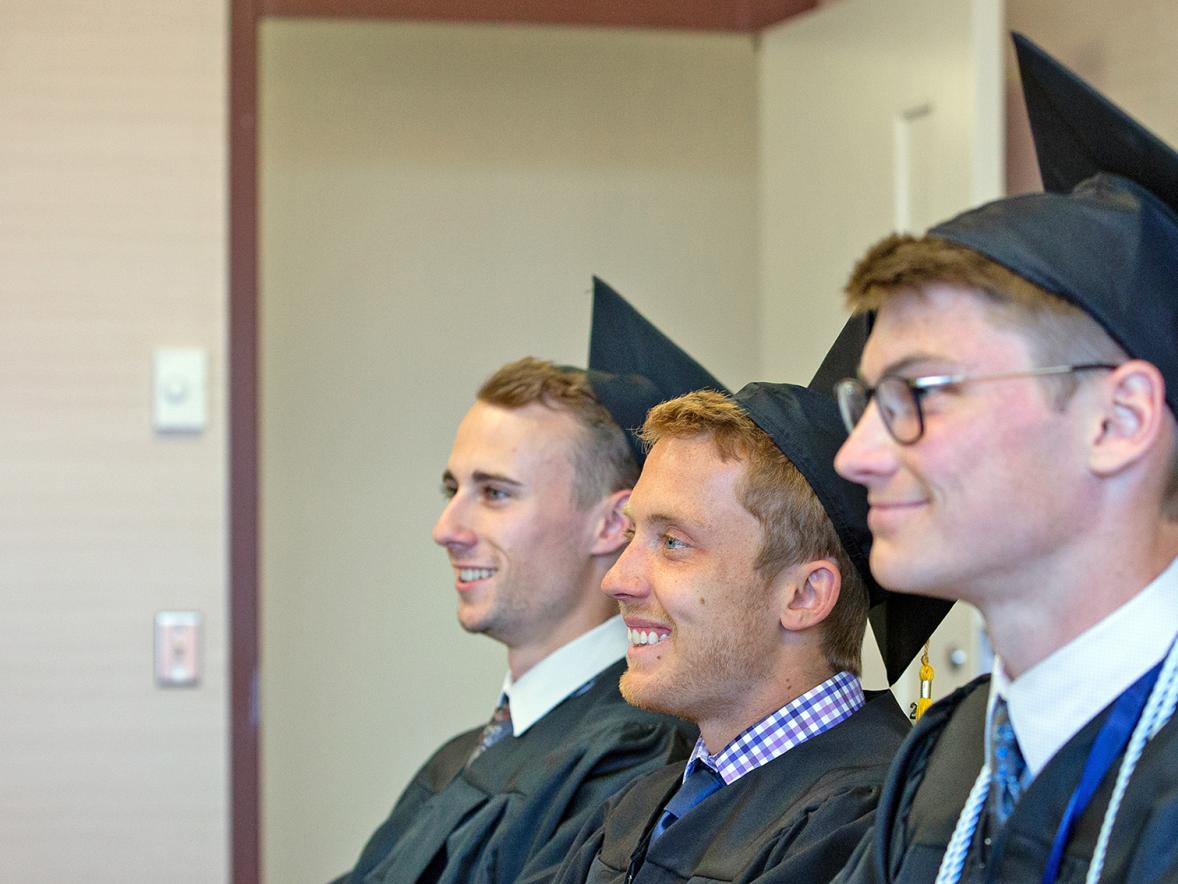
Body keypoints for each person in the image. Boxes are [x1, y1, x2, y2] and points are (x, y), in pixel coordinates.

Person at [831, 34, 1178, 883]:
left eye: (921, 392)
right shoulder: (945, 763)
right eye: (868, 401)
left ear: (1118, 419)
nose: (856, 455)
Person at [336, 279, 718, 884]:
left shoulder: (637, 756)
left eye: (495, 493)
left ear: (613, 523)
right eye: (452, 489)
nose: (446, 529)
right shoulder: (468, 755)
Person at [546, 328, 946, 883]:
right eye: (633, 536)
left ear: (804, 595)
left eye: (673, 543)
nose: (617, 579)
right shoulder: (639, 808)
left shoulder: (867, 827)